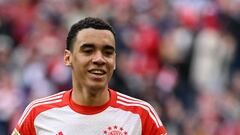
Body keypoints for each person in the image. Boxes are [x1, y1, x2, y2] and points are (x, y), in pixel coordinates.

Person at [12, 17, 167, 135]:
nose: (99, 59)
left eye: (107, 52)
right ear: (68, 58)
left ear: (114, 61)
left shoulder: (141, 115)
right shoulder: (37, 113)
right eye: (88, 50)